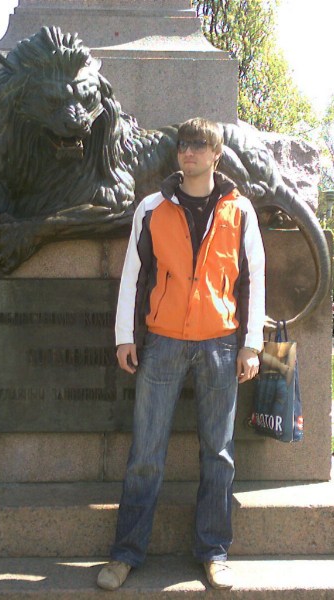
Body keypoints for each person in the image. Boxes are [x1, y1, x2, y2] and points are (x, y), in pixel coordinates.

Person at [97, 118, 266, 591]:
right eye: (183, 145)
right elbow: (133, 276)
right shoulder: (151, 207)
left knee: (219, 454)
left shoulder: (240, 210)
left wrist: (251, 344)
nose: (188, 152)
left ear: (216, 154)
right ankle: (126, 553)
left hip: (220, 344)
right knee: (146, 454)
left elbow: (254, 278)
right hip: (163, 341)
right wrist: (125, 336)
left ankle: (214, 552)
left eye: (198, 145)